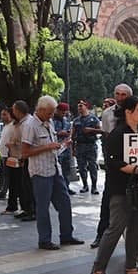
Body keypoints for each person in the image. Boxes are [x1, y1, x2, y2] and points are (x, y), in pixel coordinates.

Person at [90, 95, 138, 274]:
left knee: (137, 229)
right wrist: (136, 169)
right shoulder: (118, 134)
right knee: (115, 229)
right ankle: (98, 268)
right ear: (128, 112)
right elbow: (113, 162)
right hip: (121, 189)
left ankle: (131, 266)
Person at [22, 96, 84, 250]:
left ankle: (66, 235)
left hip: (55, 169)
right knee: (43, 207)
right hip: (40, 172)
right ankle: (44, 240)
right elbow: (25, 152)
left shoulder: (48, 122)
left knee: (65, 203)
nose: (51, 116)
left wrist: (62, 145)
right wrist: (47, 147)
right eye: (49, 113)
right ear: (40, 110)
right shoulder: (30, 125)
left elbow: (52, 148)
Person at [91, 84, 132, 249]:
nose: (120, 97)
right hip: (115, 163)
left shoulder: (135, 111)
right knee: (108, 200)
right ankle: (101, 235)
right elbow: (107, 137)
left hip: (132, 162)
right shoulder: (108, 114)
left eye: (124, 94)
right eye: (118, 94)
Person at [7, 101, 35, 221]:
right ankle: (26, 208)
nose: (12, 113)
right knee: (22, 185)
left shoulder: (27, 123)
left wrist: (14, 144)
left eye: (14, 110)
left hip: (26, 157)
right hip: (19, 157)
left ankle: (32, 210)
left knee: (28, 186)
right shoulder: (21, 123)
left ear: (18, 111)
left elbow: (26, 142)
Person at [71, 99, 101, 195]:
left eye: (81, 106)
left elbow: (100, 131)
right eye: (78, 106)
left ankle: (94, 187)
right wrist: (73, 149)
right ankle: (85, 186)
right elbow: (73, 135)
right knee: (81, 167)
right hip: (80, 146)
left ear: (86, 106)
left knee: (92, 166)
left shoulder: (93, 118)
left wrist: (91, 130)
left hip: (91, 145)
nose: (79, 108)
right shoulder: (76, 121)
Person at [53, 103, 75, 195]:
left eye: (65, 112)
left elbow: (69, 131)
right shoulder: (51, 121)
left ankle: (66, 186)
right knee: (58, 170)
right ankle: (57, 189)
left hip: (66, 148)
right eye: (62, 112)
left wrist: (69, 135)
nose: (63, 114)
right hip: (56, 148)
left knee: (66, 169)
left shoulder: (66, 120)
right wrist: (59, 133)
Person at [0, 108, 13, 200]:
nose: (2, 117)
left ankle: (2, 192)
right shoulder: (5, 126)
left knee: (6, 175)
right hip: (3, 154)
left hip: (8, 154)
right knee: (2, 174)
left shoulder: (13, 126)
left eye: (5, 114)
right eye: (2, 114)